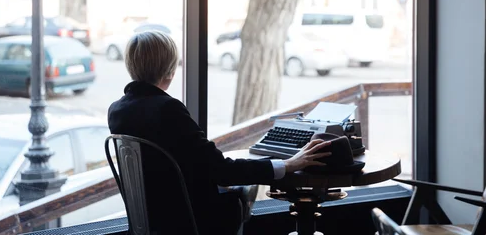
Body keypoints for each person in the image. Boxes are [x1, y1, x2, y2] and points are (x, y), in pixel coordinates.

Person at [108, 30, 331, 235]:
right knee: (242, 190)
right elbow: (221, 171)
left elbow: (163, 166)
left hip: (151, 221)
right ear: (170, 70)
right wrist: (287, 165)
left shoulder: (117, 111)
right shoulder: (168, 109)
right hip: (191, 224)